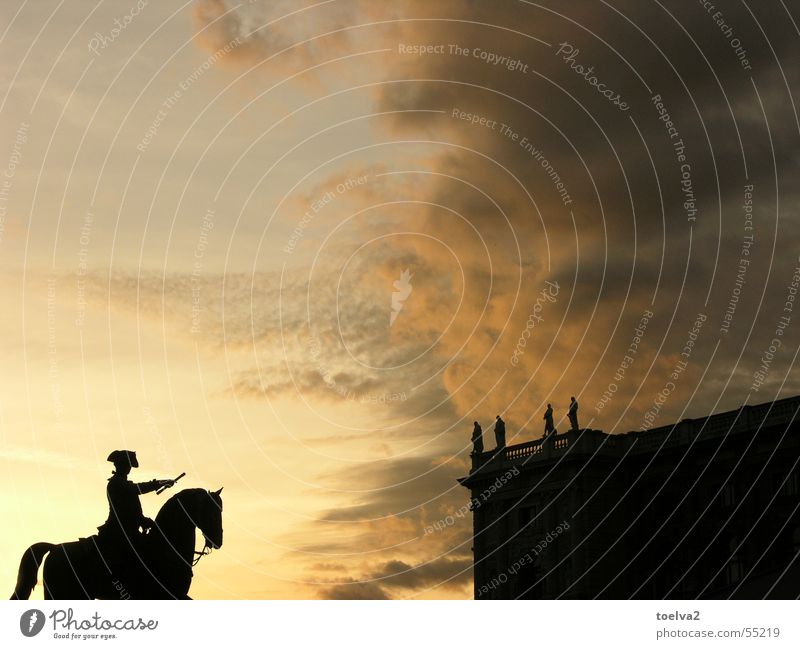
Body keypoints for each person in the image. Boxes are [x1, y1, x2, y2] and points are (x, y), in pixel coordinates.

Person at [97, 450, 175, 576]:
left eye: (128, 466)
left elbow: (131, 510)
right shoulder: (117, 483)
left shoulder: (122, 483)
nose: (128, 469)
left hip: (128, 530)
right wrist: (159, 483)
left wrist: (143, 520)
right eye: (126, 465)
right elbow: (137, 491)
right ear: (119, 465)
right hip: (119, 531)